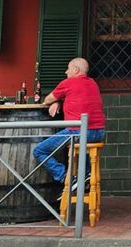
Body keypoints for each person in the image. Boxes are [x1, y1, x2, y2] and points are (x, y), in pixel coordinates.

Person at [32, 57, 106, 187]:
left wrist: (55, 101)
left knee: (39, 151)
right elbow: (78, 96)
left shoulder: (68, 83)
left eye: (68, 69)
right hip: (99, 132)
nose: (66, 72)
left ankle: (66, 177)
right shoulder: (93, 83)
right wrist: (59, 101)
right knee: (83, 148)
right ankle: (86, 177)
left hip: (78, 132)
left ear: (76, 70)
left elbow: (47, 100)